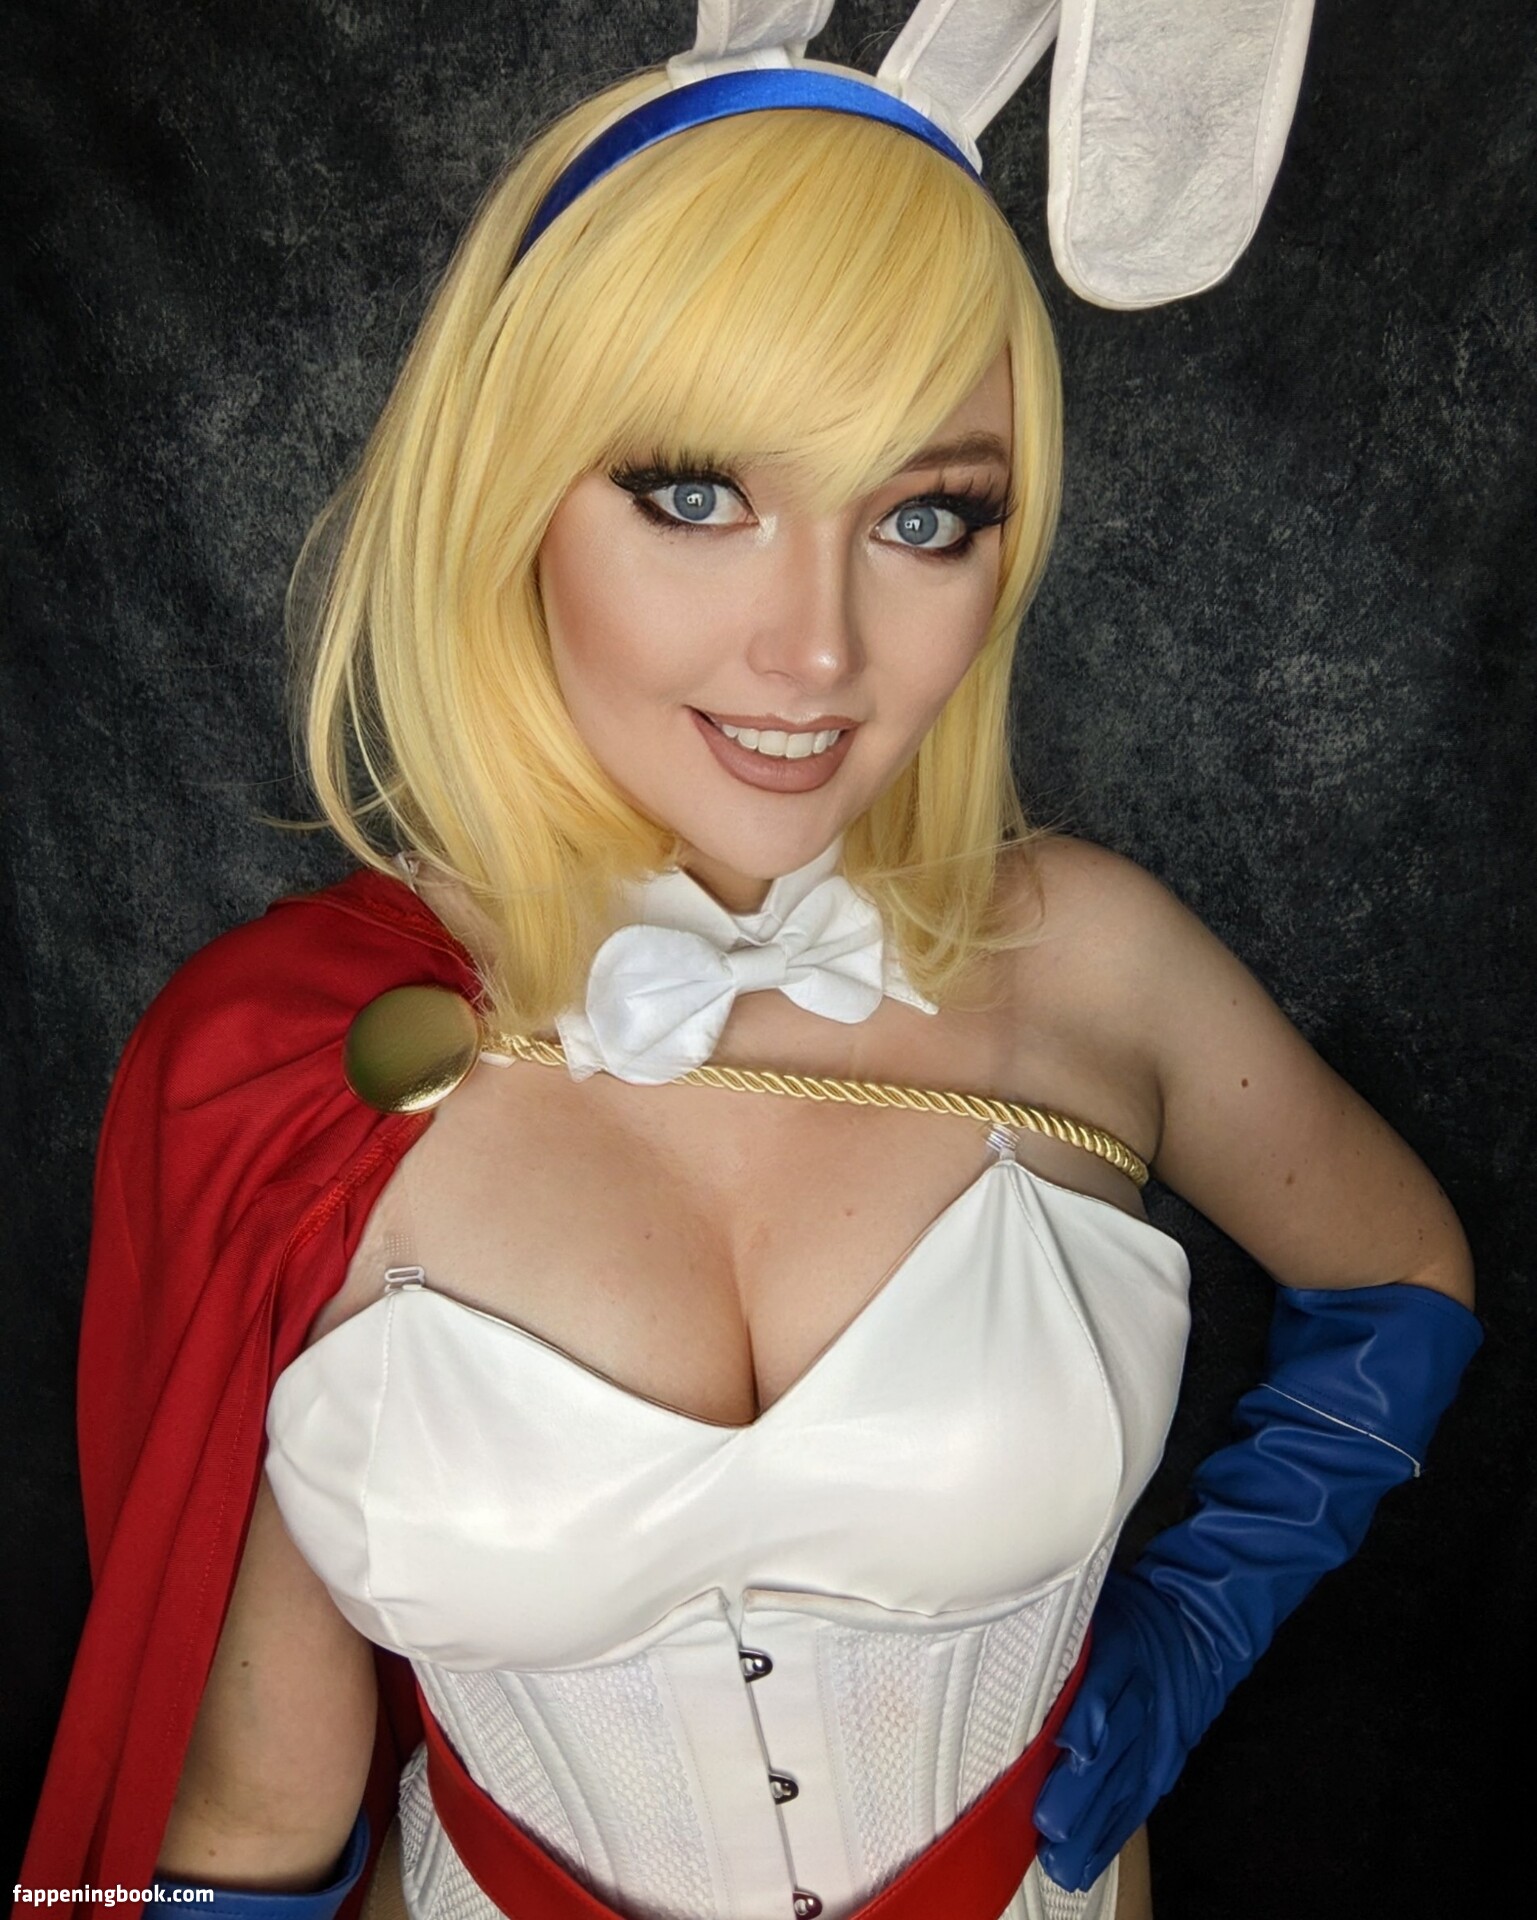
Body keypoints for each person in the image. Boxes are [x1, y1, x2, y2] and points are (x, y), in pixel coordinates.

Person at [18, 15, 1481, 1920]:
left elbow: (1397, 1272)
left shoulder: (1091, 963)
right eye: (696, 497)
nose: (816, 653)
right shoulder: (291, 1063)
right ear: (509, 486)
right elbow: (252, 1802)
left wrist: (1204, 1616)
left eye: (925, 518)